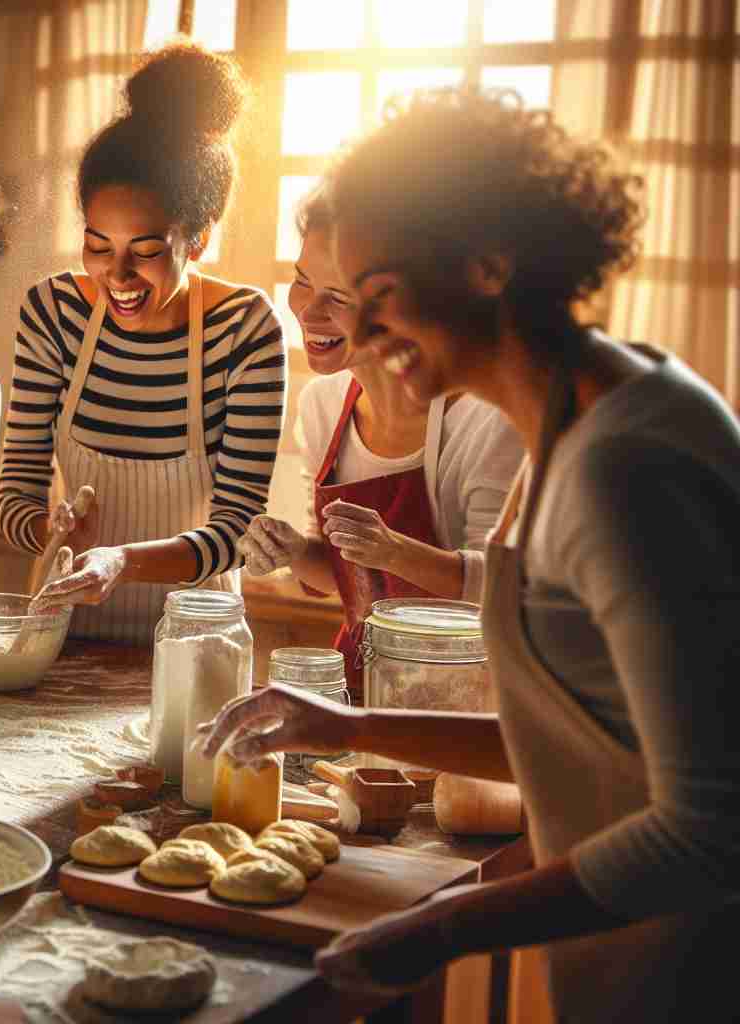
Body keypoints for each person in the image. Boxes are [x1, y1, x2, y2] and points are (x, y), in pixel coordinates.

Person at [195, 87, 740, 1021]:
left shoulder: (623, 470)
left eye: (379, 299)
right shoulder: (579, 417)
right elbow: (591, 747)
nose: (358, 337)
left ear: (488, 264)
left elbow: (711, 828)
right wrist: (350, 728)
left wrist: (447, 924)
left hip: (688, 970)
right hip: (620, 955)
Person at [0, 41, 288, 641]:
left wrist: (123, 561)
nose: (118, 277)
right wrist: (49, 528)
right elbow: (15, 490)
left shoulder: (243, 330)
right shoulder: (53, 313)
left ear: (199, 239)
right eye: (98, 246)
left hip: (194, 638)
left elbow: (237, 528)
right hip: (64, 634)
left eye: (147, 251)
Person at [237, 188, 521, 698]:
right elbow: (338, 576)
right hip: (362, 682)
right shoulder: (323, 405)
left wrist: (394, 550)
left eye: (339, 297)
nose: (309, 310)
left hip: (467, 698)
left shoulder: (486, 421)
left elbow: (501, 592)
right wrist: (294, 550)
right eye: (303, 281)